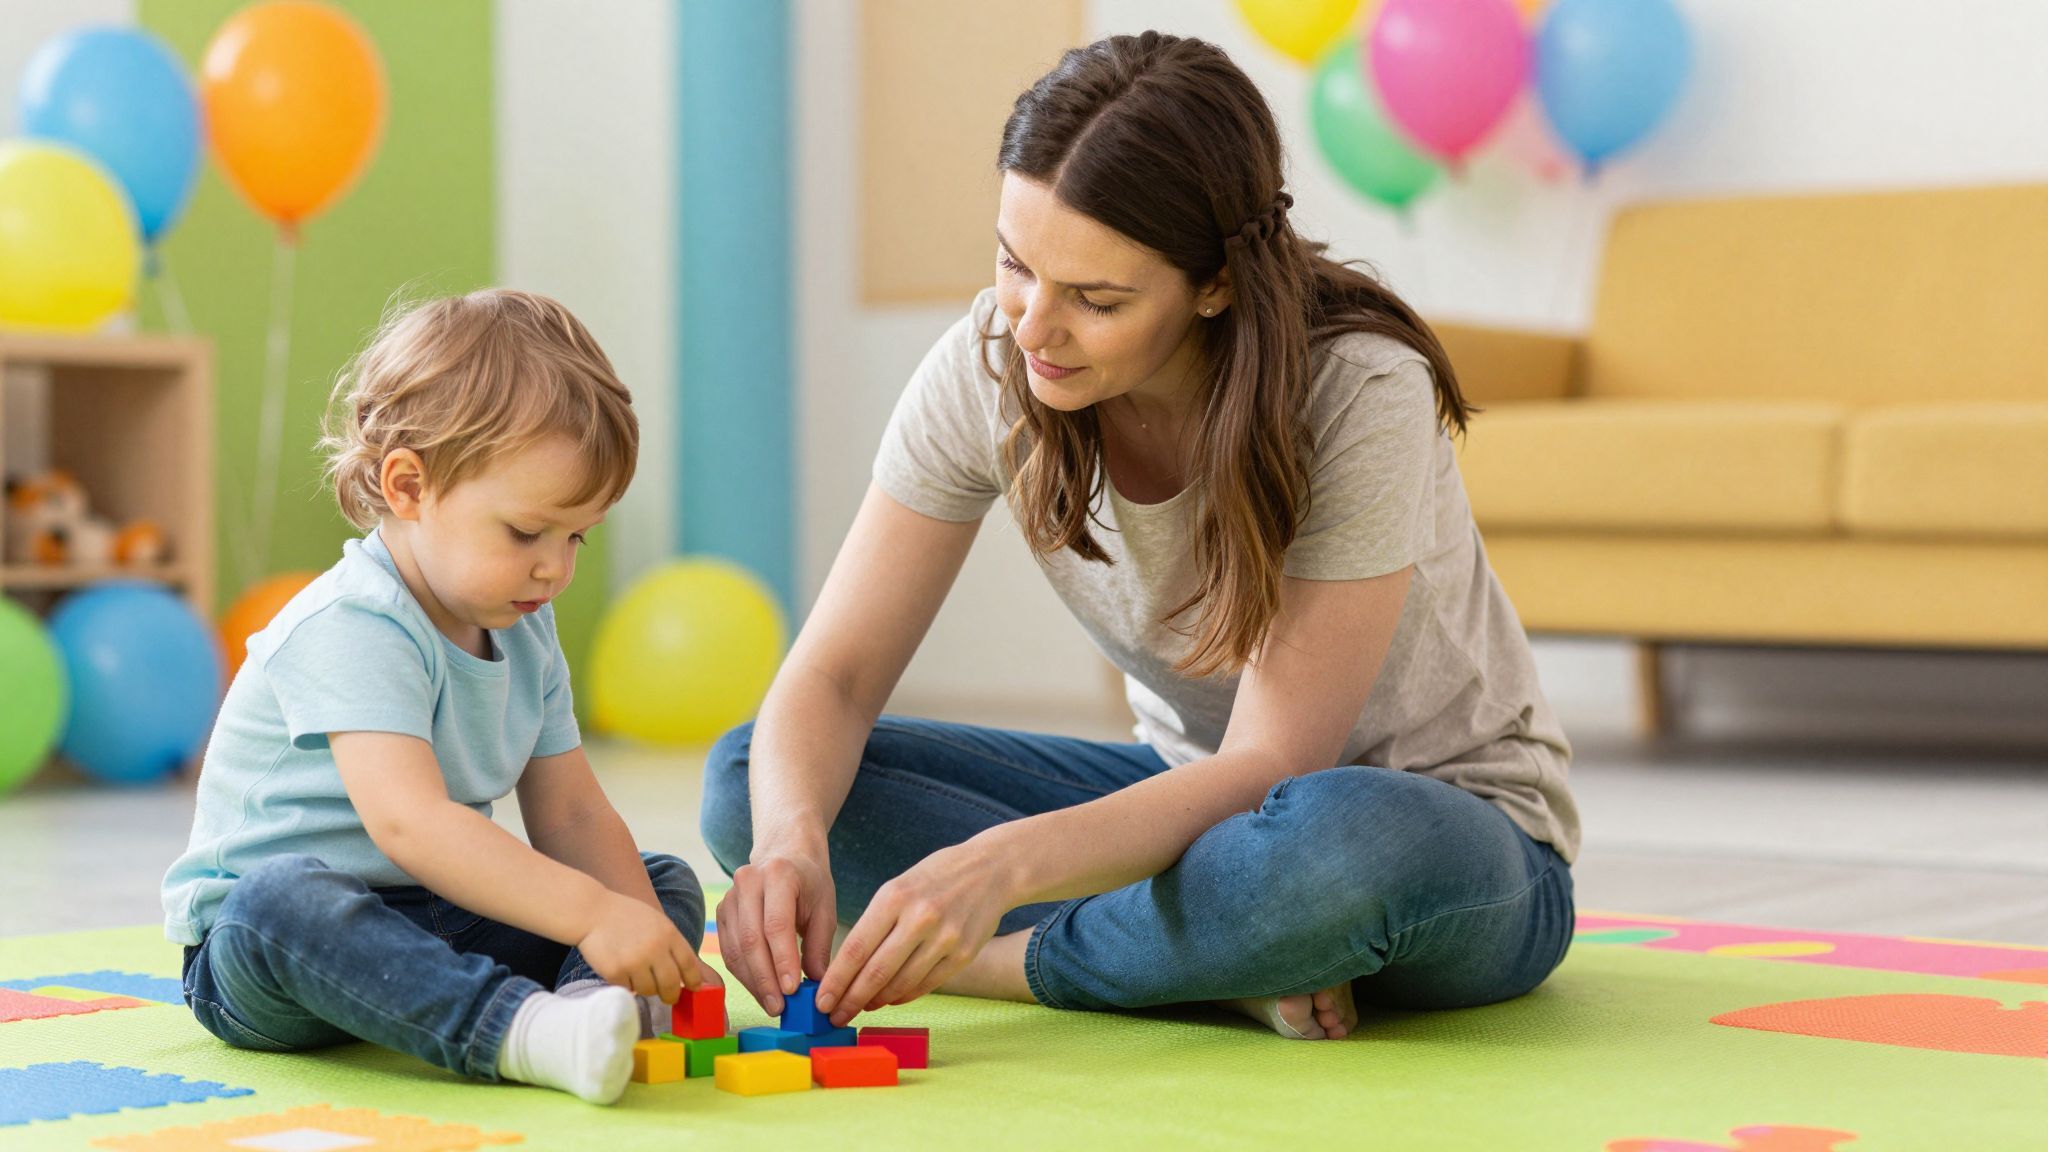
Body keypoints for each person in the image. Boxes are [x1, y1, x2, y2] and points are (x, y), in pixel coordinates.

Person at [162, 289, 712, 1103]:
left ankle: (597, 1012)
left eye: (577, 538)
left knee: (657, 883)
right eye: (528, 533)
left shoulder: (524, 624)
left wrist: (644, 945)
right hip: (269, 955)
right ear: (409, 485)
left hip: (438, 917)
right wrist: (592, 917)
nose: (554, 569)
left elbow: (572, 818)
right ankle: (519, 1032)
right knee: (279, 899)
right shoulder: (354, 622)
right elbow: (409, 823)